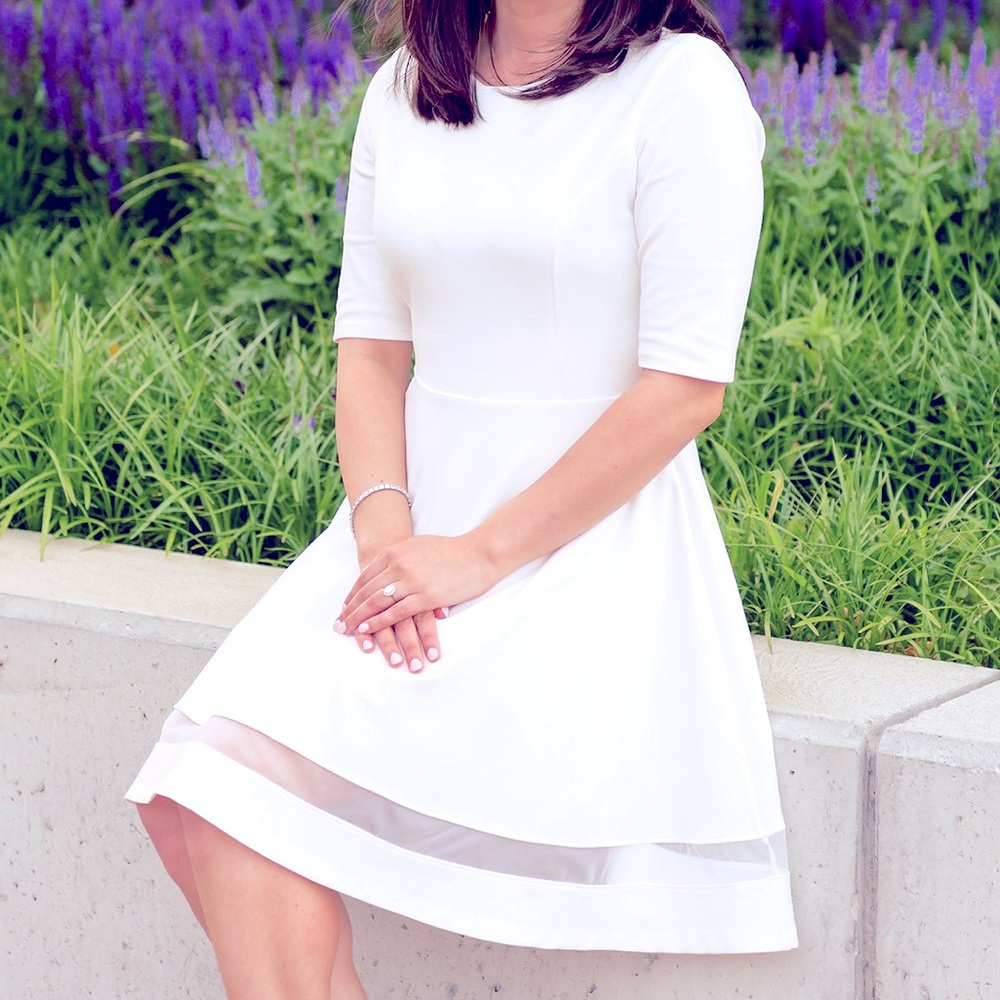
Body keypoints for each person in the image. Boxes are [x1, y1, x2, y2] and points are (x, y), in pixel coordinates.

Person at [126, 0, 799, 996]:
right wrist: (389, 540)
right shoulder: (405, 87)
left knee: (226, 796)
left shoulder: (680, 87)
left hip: (582, 548)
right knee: (193, 792)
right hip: (404, 530)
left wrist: (474, 556)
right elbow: (368, 350)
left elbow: (686, 388)